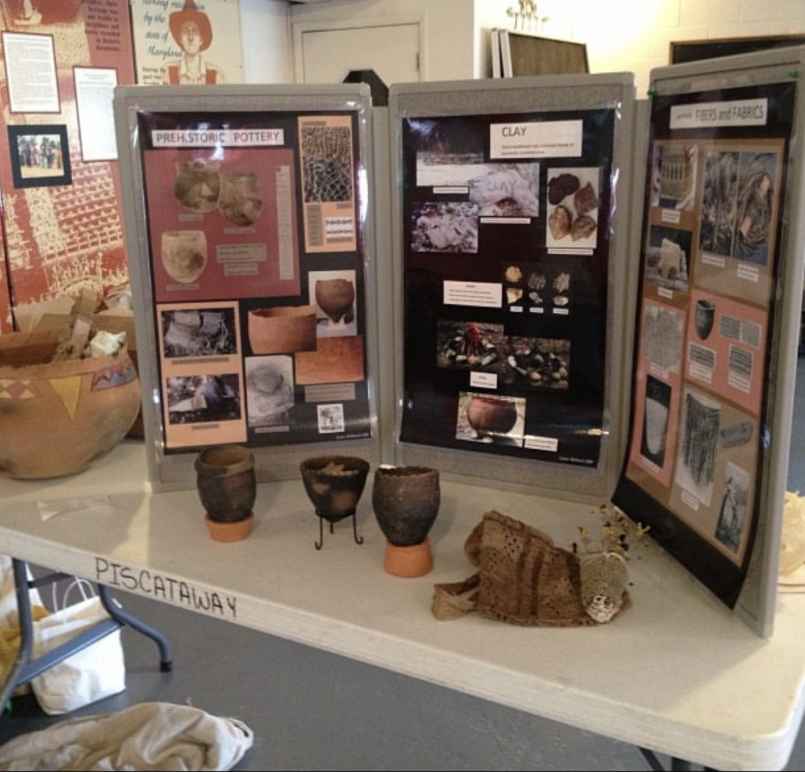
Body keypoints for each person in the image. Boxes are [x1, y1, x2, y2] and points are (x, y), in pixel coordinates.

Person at [164, 0, 225, 85]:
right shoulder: (169, 74)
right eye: (186, 31)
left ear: (201, 39)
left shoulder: (216, 75)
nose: (190, 37)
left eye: (195, 31)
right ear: (180, 39)